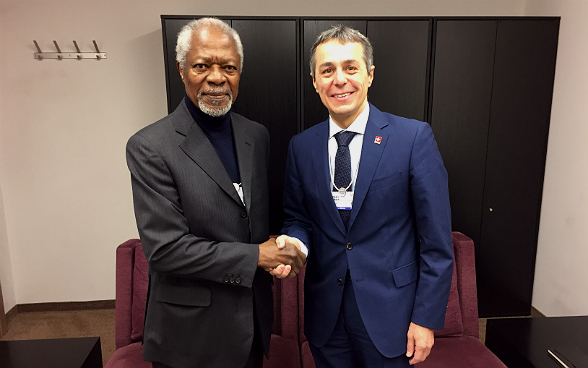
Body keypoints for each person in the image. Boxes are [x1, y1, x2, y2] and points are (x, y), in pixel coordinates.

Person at [126, 18, 305, 368]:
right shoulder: (150, 146)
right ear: (181, 71)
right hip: (190, 334)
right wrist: (257, 256)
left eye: (229, 67)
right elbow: (166, 250)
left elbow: (246, 219)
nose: (217, 77)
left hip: (252, 322)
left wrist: (285, 249)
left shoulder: (257, 136)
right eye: (201, 65)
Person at [273, 25, 454, 367]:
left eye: (350, 67)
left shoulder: (413, 138)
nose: (339, 79)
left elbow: (437, 242)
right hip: (326, 315)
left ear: (369, 75)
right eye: (327, 70)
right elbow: (298, 218)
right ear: (315, 81)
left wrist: (426, 318)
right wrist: (295, 244)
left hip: (393, 315)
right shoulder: (302, 147)